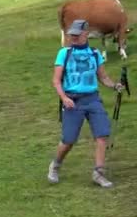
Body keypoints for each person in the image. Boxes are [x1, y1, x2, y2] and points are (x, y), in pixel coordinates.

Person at [48, 19, 125, 188]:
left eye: (77, 35)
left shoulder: (95, 53)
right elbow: (56, 81)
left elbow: (103, 77)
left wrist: (114, 85)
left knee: (102, 135)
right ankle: (56, 165)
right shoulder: (64, 53)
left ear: (86, 34)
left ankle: (98, 173)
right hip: (72, 101)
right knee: (68, 140)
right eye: (71, 35)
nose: (73, 38)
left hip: (92, 99)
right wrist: (64, 98)